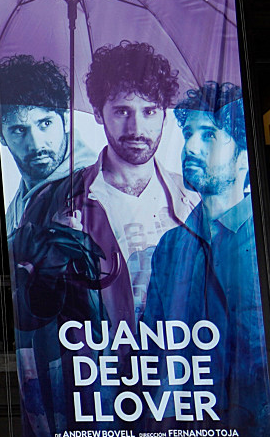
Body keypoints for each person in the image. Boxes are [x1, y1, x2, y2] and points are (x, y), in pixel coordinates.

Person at [139, 79, 270, 437]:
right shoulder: (172, 248)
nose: (191, 148)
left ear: (243, 157)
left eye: (208, 136)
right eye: (188, 136)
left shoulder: (260, 244)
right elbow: (151, 350)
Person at [12, 38, 191, 324]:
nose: (136, 129)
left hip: (182, 363)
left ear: (164, 115)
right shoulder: (52, 203)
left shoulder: (193, 200)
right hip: (101, 366)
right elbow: (27, 319)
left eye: (149, 111)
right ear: (98, 113)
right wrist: (51, 265)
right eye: (122, 111)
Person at [0, 53, 76, 237]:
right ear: (1, 136)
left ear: (65, 120)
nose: (36, 144)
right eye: (19, 130)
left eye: (45, 124)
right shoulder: (16, 206)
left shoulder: (92, 186)